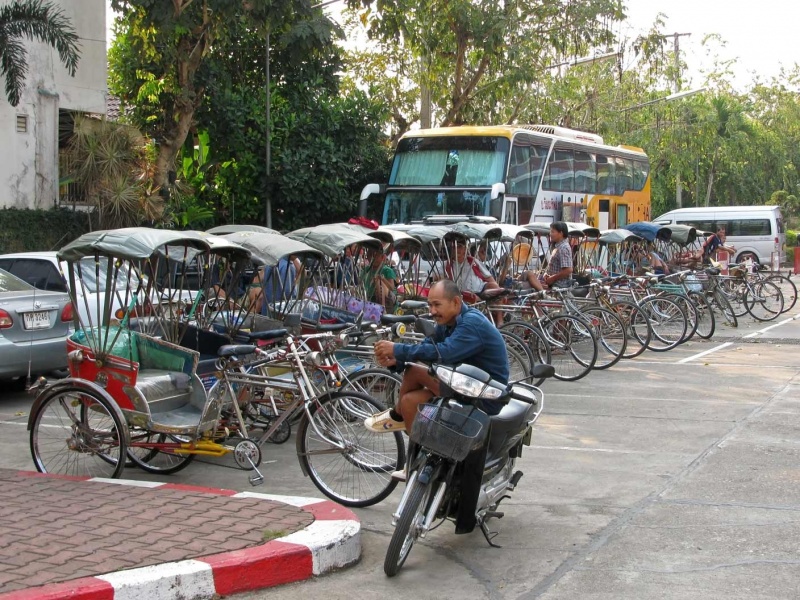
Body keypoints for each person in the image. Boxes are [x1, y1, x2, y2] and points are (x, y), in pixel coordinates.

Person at [365, 279, 509, 433]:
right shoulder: (446, 322)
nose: (432, 311)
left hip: (485, 396)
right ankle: (416, 444)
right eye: (430, 305)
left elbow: (444, 353)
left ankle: (397, 415)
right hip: (464, 385)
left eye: (437, 305)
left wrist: (397, 349)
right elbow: (426, 348)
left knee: (414, 371)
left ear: (455, 302)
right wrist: (397, 361)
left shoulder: (472, 323)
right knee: (409, 401)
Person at [525, 221, 573, 291]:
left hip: (560, 286)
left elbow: (568, 270)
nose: (550, 234)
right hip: (552, 283)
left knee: (529, 276)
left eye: (553, 232)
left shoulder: (564, 247)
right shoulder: (558, 246)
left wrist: (552, 278)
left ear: (561, 233)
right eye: (550, 232)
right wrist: (546, 275)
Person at [360, 246, 397, 310]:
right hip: (369, 297)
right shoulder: (366, 270)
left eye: (375, 255)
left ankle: (382, 309)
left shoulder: (387, 270)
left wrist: (382, 279)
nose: (372, 258)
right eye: (370, 255)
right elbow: (360, 284)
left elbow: (392, 287)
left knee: (378, 281)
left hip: (388, 299)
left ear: (382, 257)